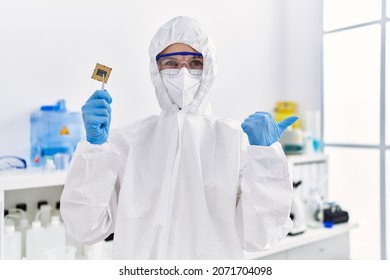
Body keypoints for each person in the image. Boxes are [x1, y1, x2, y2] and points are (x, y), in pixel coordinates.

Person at [60, 16, 298, 259]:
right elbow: (85, 227)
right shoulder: (127, 142)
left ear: (209, 69)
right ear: (156, 69)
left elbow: (260, 237)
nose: (183, 72)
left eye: (195, 62)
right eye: (171, 63)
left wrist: (266, 156)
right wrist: (94, 150)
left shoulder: (236, 141)